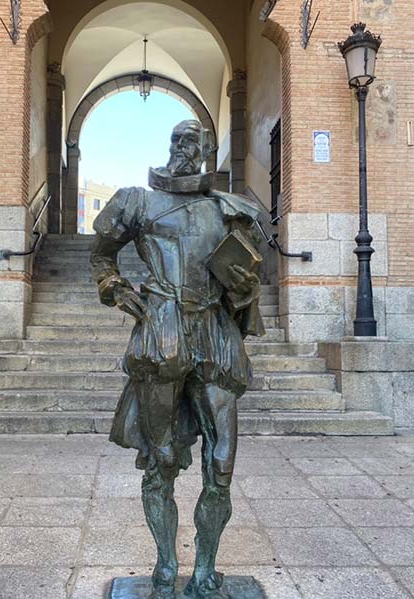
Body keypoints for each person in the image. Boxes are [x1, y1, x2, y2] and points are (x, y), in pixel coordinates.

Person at [90, 120, 265, 599]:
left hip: (214, 334)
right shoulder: (137, 202)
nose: (185, 148)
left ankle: (205, 569)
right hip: (162, 330)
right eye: (178, 140)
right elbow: (101, 256)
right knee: (162, 459)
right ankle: (166, 566)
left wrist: (247, 292)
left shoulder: (228, 210)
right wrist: (114, 287)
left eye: (195, 142)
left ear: (209, 151)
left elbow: (246, 282)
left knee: (222, 463)